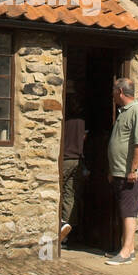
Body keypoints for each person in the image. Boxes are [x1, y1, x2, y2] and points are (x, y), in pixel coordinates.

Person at [105, 78, 138, 265]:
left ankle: (125, 252)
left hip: (130, 173)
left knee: (129, 212)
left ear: (120, 91)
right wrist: (113, 169)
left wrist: (133, 169)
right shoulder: (123, 112)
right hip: (119, 171)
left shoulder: (137, 111)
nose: (112, 95)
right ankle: (128, 248)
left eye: (114, 91)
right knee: (124, 210)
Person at [59, 100, 88, 243]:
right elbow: (84, 138)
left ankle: (62, 226)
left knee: (58, 190)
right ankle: (69, 228)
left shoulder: (65, 120)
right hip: (78, 159)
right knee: (70, 194)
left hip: (65, 158)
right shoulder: (82, 122)